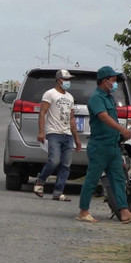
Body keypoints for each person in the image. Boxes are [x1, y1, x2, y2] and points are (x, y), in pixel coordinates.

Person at [76, 66, 131, 224]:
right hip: (100, 146)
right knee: (92, 179)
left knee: (118, 179)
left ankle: (124, 212)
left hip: (112, 146)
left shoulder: (109, 98)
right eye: (113, 80)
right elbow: (103, 117)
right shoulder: (96, 98)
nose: (115, 83)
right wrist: (122, 129)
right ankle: (83, 211)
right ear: (105, 81)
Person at [33, 69, 82, 201]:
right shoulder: (50, 94)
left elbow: (72, 119)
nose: (68, 82)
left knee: (66, 165)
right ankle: (41, 180)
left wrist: (77, 138)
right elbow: (42, 113)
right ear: (59, 80)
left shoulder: (70, 97)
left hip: (67, 134)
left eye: (69, 80)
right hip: (53, 132)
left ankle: (58, 191)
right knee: (54, 161)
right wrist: (41, 131)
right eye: (66, 79)